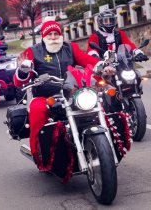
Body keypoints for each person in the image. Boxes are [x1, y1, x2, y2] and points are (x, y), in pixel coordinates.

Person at [14, 20, 115, 168]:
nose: (54, 37)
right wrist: (22, 70)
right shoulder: (33, 51)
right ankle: (39, 154)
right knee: (37, 110)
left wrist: (103, 67)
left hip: (72, 92)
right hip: (45, 95)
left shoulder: (70, 48)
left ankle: (105, 145)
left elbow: (88, 60)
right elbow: (18, 81)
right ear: (44, 36)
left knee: (96, 102)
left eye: (56, 33)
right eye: (50, 34)